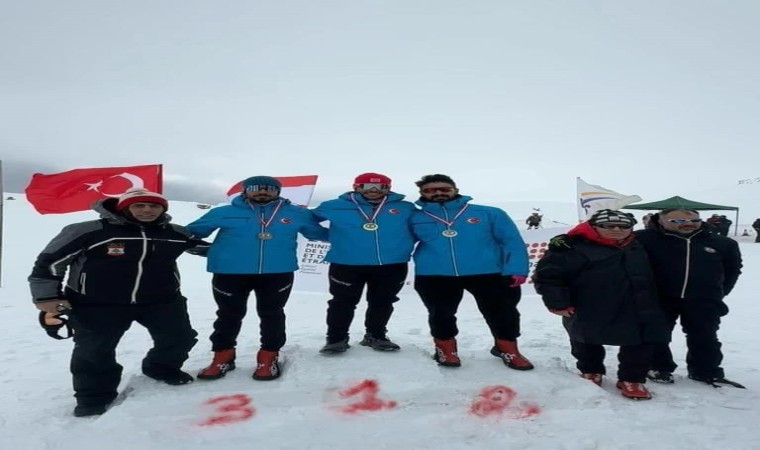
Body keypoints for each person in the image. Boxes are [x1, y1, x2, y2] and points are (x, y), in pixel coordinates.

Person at [29, 189, 209, 417]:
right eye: (139, 205)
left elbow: (207, 249)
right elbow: (50, 263)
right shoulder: (88, 231)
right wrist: (47, 296)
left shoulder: (175, 233)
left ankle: (161, 367)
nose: (147, 210)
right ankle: (94, 396)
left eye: (154, 206)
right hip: (96, 303)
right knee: (94, 350)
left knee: (180, 338)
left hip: (162, 300)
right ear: (124, 207)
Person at [187, 176, 329, 381]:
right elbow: (191, 233)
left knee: (272, 314)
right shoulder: (223, 212)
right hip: (229, 273)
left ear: (278, 191)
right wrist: (202, 247)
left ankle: (268, 356)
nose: (263, 191)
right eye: (256, 188)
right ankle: (223, 355)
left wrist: (359, 233)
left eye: (269, 188)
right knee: (228, 315)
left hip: (277, 273)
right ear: (245, 190)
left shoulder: (296, 213)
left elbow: (318, 233)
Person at [532, 209, 669, 400]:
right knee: (585, 338)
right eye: (608, 225)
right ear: (594, 226)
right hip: (587, 304)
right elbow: (548, 276)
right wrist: (558, 302)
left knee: (640, 342)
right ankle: (590, 370)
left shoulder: (641, 244)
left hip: (639, 303)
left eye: (623, 226)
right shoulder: (572, 246)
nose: (616, 229)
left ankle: (632, 378)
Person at [409, 174, 533, 370]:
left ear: (456, 190)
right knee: (441, 314)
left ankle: (507, 348)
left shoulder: (489, 213)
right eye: (430, 190)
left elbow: (512, 242)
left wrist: (517, 268)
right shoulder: (414, 217)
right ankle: (445, 348)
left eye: (444, 189)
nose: (438, 193)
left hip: (488, 273)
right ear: (422, 193)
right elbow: (395, 242)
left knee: (503, 312)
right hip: (435, 274)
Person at [635, 208, 744, 388]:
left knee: (705, 336)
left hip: (703, 299)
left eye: (694, 220)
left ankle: (705, 371)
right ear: (660, 221)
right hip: (659, 297)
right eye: (678, 221)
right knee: (656, 333)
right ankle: (658, 367)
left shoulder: (723, 243)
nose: (688, 224)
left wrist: (718, 292)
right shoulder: (643, 239)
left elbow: (732, 270)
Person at [312, 173, 417, 353]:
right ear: (356, 187)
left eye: (381, 187)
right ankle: (336, 338)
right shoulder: (333, 206)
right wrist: (328, 236)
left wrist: (404, 243)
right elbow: (305, 220)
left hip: (392, 264)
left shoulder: (405, 207)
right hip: (347, 264)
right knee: (342, 302)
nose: (374, 190)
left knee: (383, 301)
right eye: (367, 186)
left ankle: (376, 335)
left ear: (389, 188)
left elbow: (422, 226)